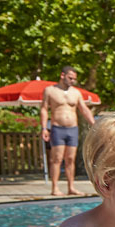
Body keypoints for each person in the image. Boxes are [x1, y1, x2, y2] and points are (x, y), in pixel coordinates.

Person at [40, 66, 97, 197]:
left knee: (71, 159)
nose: (72, 81)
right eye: (70, 78)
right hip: (57, 128)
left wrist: (94, 124)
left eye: (74, 79)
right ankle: (55, 188)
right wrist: (44, 128)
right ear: (62, 75)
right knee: (57, 159)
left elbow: (84, 109)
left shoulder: (76, 93)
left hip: (73, 129)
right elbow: (44, 109)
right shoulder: (50, 90)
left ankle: (71, 187)